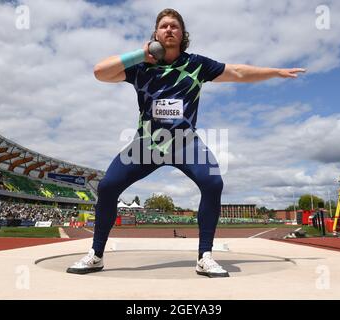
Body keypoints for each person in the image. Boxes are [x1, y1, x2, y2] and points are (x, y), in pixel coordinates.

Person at [67, 8, 305, 277]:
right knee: (108, 186)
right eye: (164, 26)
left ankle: (205, 256)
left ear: (182, 35)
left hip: (184, 142)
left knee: (213, 181)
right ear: (155, 34)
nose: (169, 30)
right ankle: (96, 255)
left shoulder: (197, 65)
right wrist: (138, 54)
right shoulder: (141, 67)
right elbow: (100, 72)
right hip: (148, 144)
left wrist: (274, 72)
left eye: (175, 26)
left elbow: (237, 72)